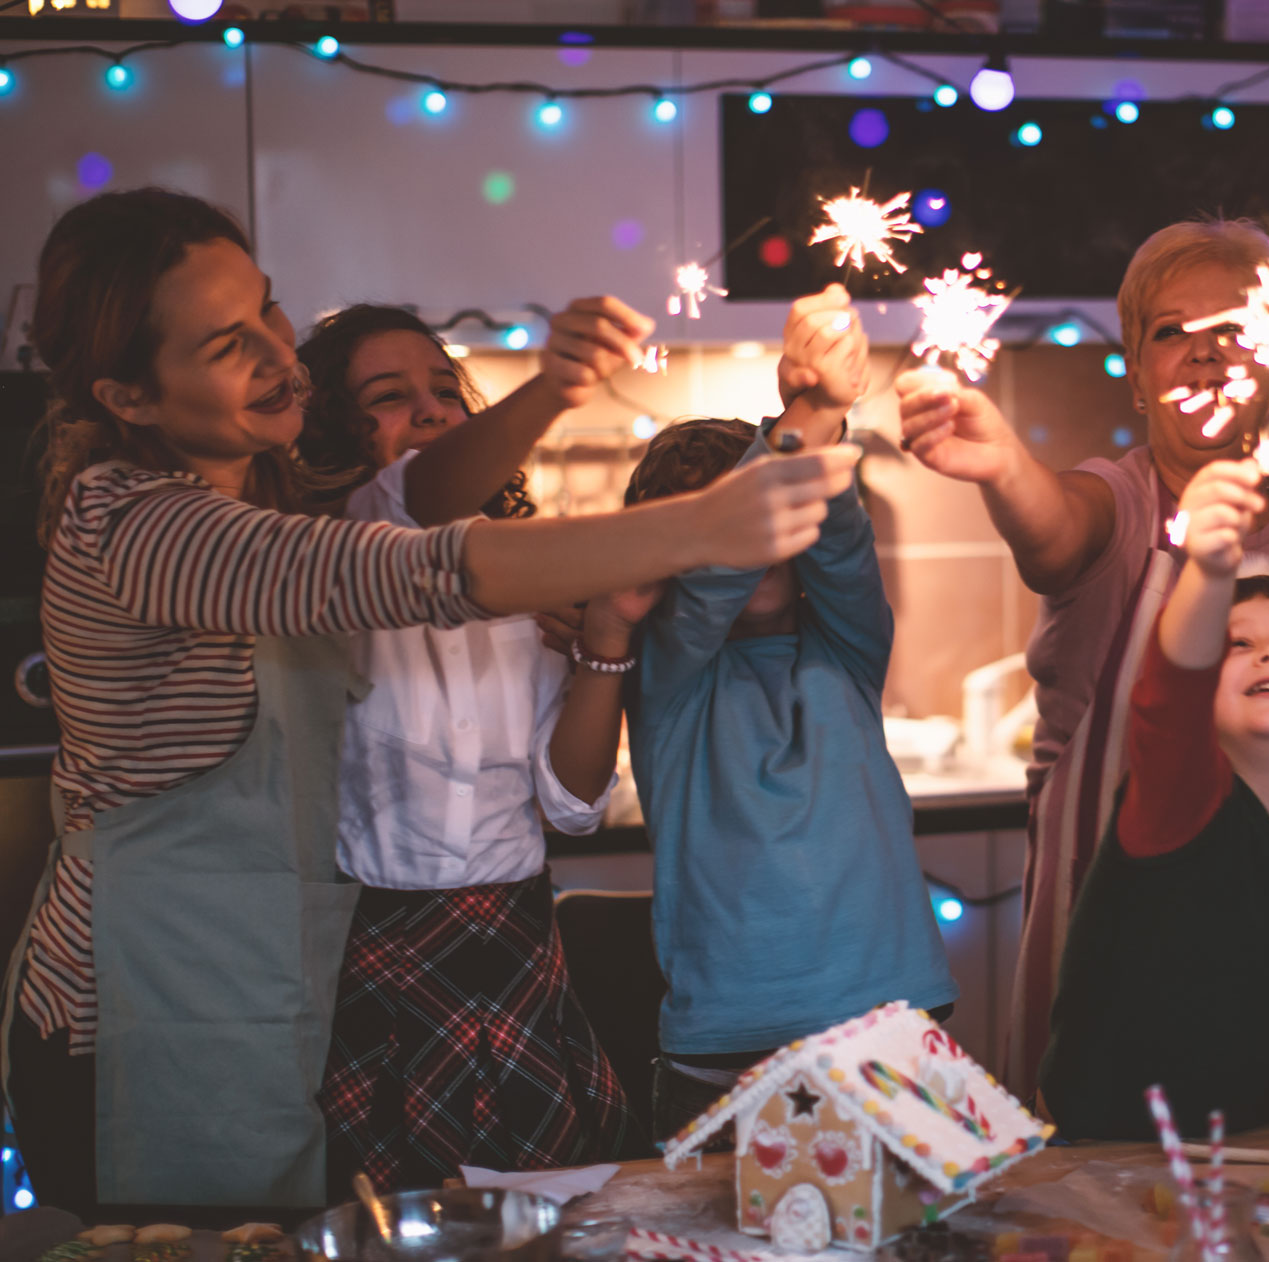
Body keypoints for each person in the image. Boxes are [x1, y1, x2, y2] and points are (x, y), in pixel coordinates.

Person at [3, 187, 857, 1215]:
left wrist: (547, 392)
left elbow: (416, 496)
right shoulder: (139, 523)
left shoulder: (258, 487)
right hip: (133, 1014)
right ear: (131, 397)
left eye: (269, 309)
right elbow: (404, 565)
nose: (282, 358)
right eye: (229, 343)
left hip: (262, 995)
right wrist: (698, 524)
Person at [891, 218, 1269, 1096]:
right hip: (1114, 945)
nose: (1204, 357)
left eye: (1234, 331)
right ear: (1139, 378)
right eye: (1171, 334)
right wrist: (1002, 469)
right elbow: (1053, 538)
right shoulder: (1117, 503)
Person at [297, 304, 652, 1190]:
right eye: (388, 396)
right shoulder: (324, 566)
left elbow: (572, 808)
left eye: (444, 391)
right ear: (332, 430)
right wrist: (556, 385)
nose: (430, 410)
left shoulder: (525, 593)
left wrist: (605, 637)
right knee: (388, 1226)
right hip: (376, 964)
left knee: (549, 1227)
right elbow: (411, 498)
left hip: (522, 957)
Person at [625, 286, 959, 1145]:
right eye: (718, 524)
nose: (761, 538)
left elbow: (842, 552)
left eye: (773, 512)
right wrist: (797, 424)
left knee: (914, 1241)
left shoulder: (847, 650)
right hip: (724, 1043)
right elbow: (708, 594)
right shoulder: (668, 675)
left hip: (891, 1020)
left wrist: (816, 432)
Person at [1038, 456, 1269, 1138]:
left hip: (1236, 1147)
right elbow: (1169, 690)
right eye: (1240, 645)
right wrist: (1205, 567)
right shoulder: (1182, 803)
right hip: (1110, 1151)